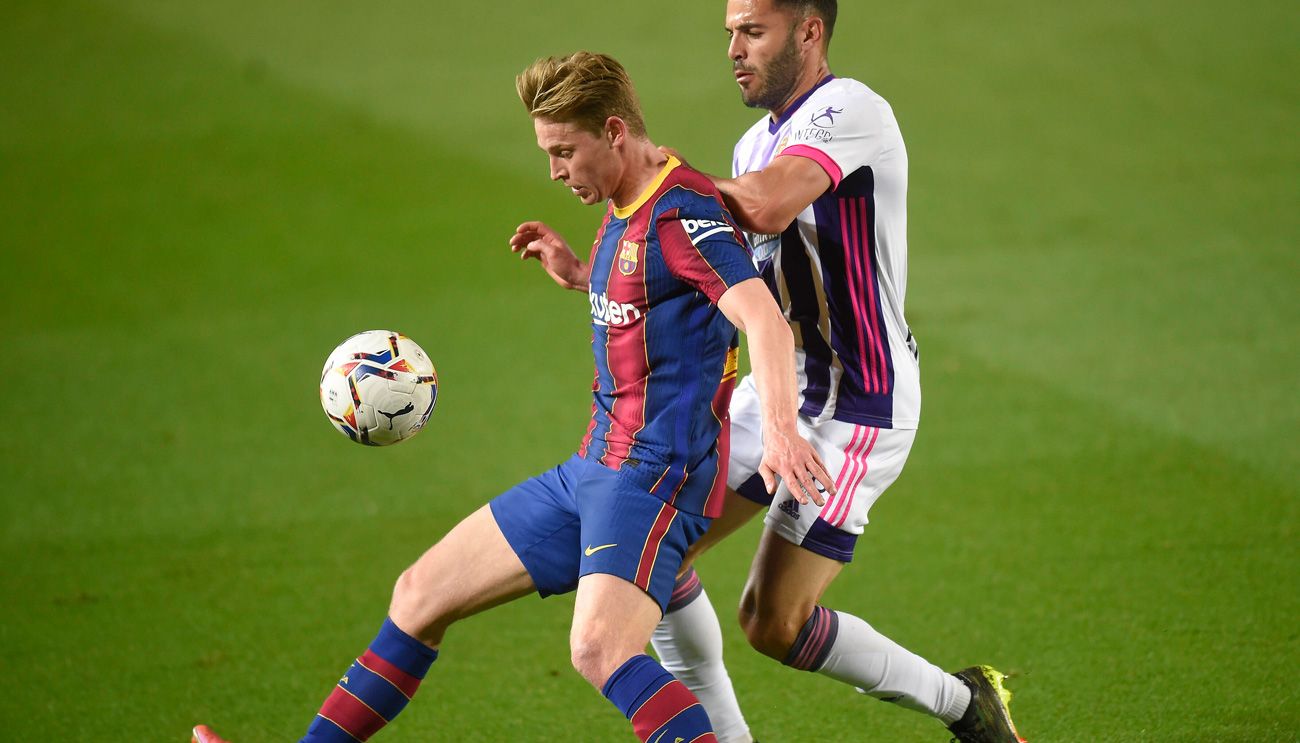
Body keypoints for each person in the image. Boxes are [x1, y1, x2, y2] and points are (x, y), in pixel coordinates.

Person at [191, 51, 835, 743]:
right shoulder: (631, 194)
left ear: (614, 132)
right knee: (418, 595)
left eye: (564, 151)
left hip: (653, 480)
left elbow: (762, 317)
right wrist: (583, 273)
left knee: (599, 649)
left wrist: (780, 431)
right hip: (593, 467)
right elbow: (657, 295)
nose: (555, 171)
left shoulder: (682, 213)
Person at [646, 2, 1027, 742]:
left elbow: (767, 203)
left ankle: (964, 704)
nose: (733, 48)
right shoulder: (752, 139)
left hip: (858, 404)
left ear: (809, 32)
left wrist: (659, 179)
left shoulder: (852, 109)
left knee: (773, 622)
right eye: (730, 30)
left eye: (752, 31)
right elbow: (725, 267)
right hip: (783, 385)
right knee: (651, 554)